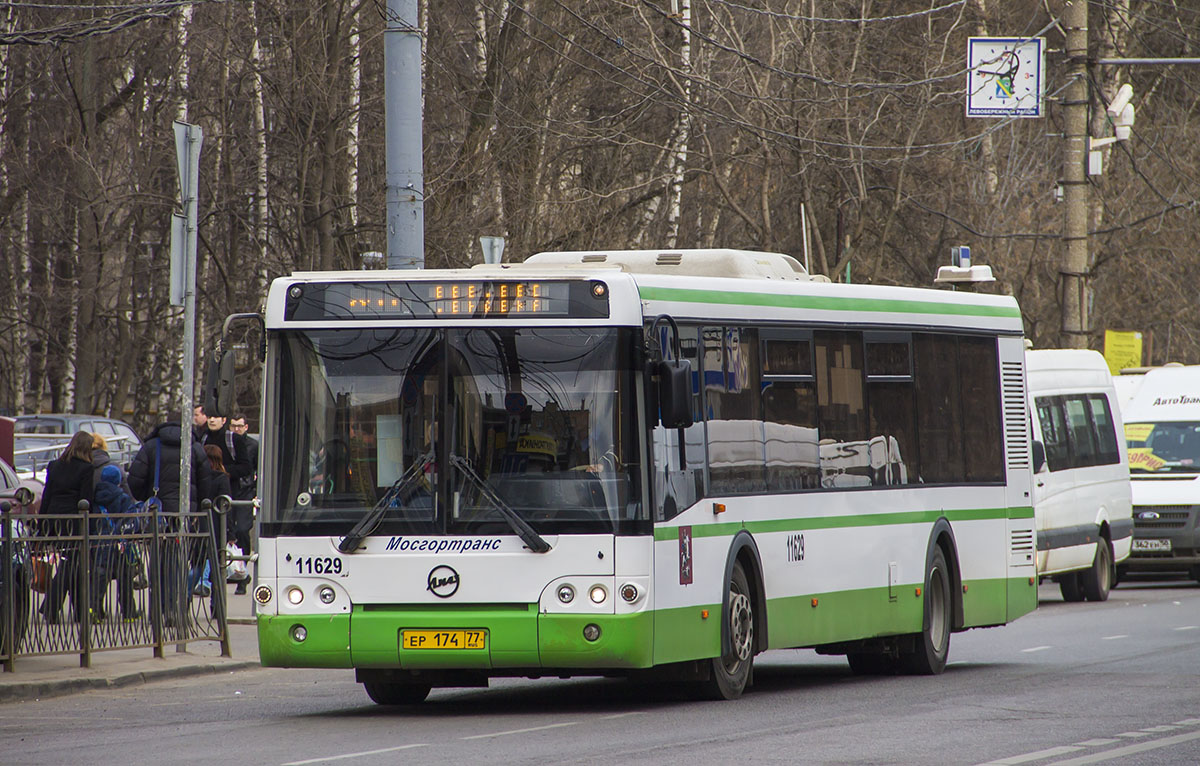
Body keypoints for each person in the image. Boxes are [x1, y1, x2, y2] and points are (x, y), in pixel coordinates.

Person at [127, 422, 215, 629]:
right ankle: (175, 609)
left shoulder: (152, 447)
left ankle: (157, 611)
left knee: (158, 562)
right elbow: (205, 483)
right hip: (184, 516)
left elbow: (134, 481)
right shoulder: (194, 448)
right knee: (178, 562)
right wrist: (197, 509)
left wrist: (147, 497)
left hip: (159, 515)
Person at [37, 431, 95, 623]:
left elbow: (47, 494)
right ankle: (51, 608)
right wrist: (89, 523)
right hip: (74, 521)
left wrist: (42, 523)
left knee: (72, 565)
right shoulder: (87, 469)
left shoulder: (55, 466)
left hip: (54, 518)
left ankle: (80, 611)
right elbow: (86, 499)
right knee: (70, 565)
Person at [91, 465, 141, 620]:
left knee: (100, 575)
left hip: (100, 541)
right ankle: (128, 612)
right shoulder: (122, 497)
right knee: (124, 577)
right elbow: (129, 519)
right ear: (118, 480)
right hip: (120, 542)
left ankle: (95, 610)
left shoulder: (95, 496)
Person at [227, 414, 258, 576]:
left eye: (239, 426)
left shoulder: (253, 445)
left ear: (246, 427)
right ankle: (232, 569)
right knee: (228, 531)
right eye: (233, 426)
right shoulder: (227, 443)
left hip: (246, 492)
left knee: (242, 530)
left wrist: (256, 491)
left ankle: (242, 568)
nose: (236, 429)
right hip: (230, 491)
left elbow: (259, 469)